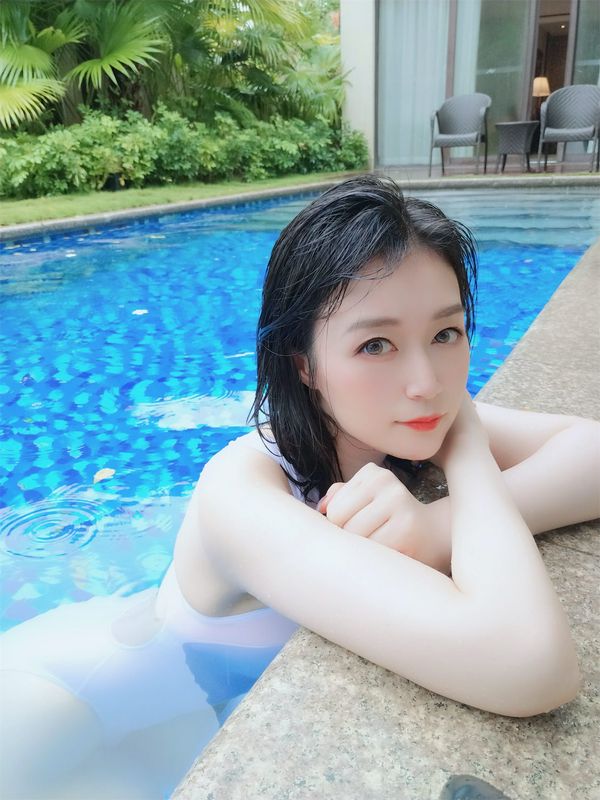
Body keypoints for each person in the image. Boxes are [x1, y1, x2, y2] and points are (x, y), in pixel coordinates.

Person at [1, 176, 599, 799]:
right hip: (60, 716)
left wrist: (438, 518)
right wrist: (469, 442)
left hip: (187, 702)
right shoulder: (242, 490)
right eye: (376, 344)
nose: (427, 382)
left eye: (445, 333)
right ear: (305, 364)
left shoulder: (394, 417)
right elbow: (531, 666)